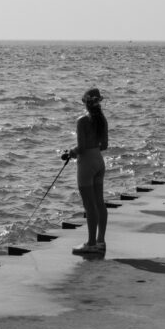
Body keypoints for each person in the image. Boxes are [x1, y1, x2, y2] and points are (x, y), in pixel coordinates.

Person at [61, 87, 109, 255]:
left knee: (89, 206)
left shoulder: (82, 121)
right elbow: (105, 145)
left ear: (87, 103)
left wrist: (71, 153)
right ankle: (101, 241)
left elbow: (81, 147)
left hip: (87, 163)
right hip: (99, 161)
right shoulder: (103, 120)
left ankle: (90, 243)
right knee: (99, 203)